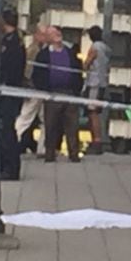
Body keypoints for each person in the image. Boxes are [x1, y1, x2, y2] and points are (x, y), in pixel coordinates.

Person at [32, 26, 83, 163]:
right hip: (52, 93)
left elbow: (78, 70)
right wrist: (43, 89)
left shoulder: (70, 52)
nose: (58, 35)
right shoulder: (43, 55)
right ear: (48, 38)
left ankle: (74, 153)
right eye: (54, 33)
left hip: (70, 93)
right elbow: (37, 74)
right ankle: (50, 154)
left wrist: (77, 89)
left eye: (58, 32)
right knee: (51, 124)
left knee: (72, 125)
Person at [0, 8, 26, 180]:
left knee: (6, 131)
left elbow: (8, 68)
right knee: (5, 130)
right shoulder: (14, 41)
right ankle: (6, 166)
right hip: (9, 91)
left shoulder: (12, 43)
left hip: (8, 92)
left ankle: (10, 167)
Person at [16, 24, 48, 155]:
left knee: (44, 119)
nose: (45, 38)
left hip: (39, 89)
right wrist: (28, 85)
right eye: (43, 35)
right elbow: (28, 70)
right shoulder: (33, 50)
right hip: (34, 89)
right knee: (26, 117)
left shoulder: (38, 49)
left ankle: (43, 147)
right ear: (36, 35)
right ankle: (15, 139)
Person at [83, 25, 110, 155]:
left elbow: (87, 63)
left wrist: (84, 64)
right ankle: (96, 139)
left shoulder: (95, 48)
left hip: (94, 82)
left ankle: (97, 140)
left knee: (92, 112)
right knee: (94, 112)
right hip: (102, 82)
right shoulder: (105, 48)